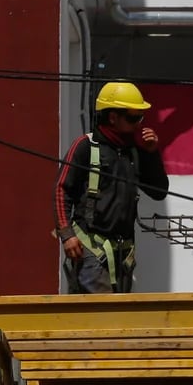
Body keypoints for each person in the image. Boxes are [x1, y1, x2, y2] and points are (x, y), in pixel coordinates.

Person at [54, 82, 169, 293]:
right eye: (133, 118)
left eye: (140, 118)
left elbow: (159, 191)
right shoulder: (86, 147)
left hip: (123, 252)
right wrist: (67, 235)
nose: (138, 124)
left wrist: (152, 154)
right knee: (101, 316)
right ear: (113, 117)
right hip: (90, 249)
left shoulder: (133, 152)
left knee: (118, 318)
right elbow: (61, 189)